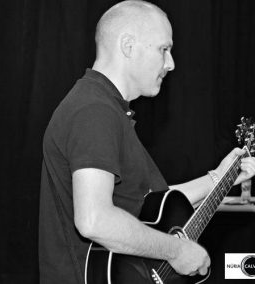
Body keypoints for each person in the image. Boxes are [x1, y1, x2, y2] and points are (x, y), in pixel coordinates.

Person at [38, 1, 255, 283]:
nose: (171, 63)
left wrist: (222, 177)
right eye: (163, 49)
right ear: (128, 45)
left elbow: (150, 206)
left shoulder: (106, 108)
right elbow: (94, 220)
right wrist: (177, 251)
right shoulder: (94, 111)